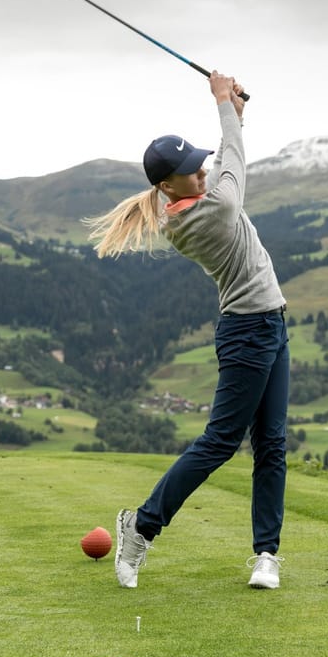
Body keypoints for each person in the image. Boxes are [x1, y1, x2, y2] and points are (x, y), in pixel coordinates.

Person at [84, 71, 289, 590]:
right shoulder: (210, 212)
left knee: (272, 445)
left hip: (272, 324)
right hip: (248, 332)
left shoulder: (198, 196)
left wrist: (234, 113)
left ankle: (267, 553)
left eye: (199, 165)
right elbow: (234, 161)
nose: (201, 171)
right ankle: (141, 526)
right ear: (166, 186)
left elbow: (221, 157)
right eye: (191, 171)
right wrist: (223, 102)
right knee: (220, 443)